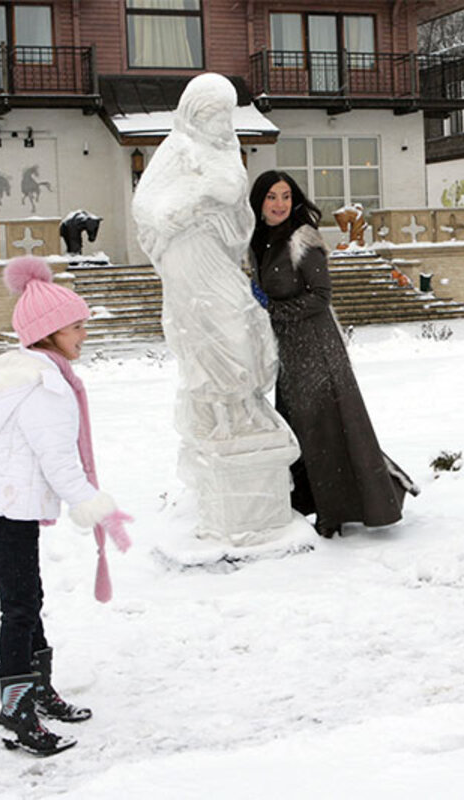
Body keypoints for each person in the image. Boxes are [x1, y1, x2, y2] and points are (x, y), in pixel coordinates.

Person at [0, 256, 133, 755]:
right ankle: (14, 711)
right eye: (77, 327)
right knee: (20, 607)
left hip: (6, 503)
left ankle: (37, 690)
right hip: (9, 506)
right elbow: (59, 463)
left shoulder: (32, 373)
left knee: (28, 600)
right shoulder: (46, 387)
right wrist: (97, 507)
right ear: (49, 332)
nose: (83, 335)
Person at [132, 72, 300, 543]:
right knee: (211, 332)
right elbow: (146, 209)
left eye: (224, 114)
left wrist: (228, 210)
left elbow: (240, 215)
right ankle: (223, 415)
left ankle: (243, 408)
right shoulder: (175, 151)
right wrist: (191, 202)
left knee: (243, 327)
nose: (218, 123)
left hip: (218, 257)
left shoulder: (227, 152)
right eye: (209, 114)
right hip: (188, 257)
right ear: (191, 114)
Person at [248, 170, 418, 538]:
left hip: (317, 349)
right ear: (259, 201)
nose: (280, 205)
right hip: (288, 353)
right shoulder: (258, 241)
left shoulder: (302, 239)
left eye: (286, 197)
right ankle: (307, 505)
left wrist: (273, 310)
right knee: (297, 430)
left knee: (327, 431)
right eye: (272, 197)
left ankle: (339, 512)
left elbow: (320, 296)